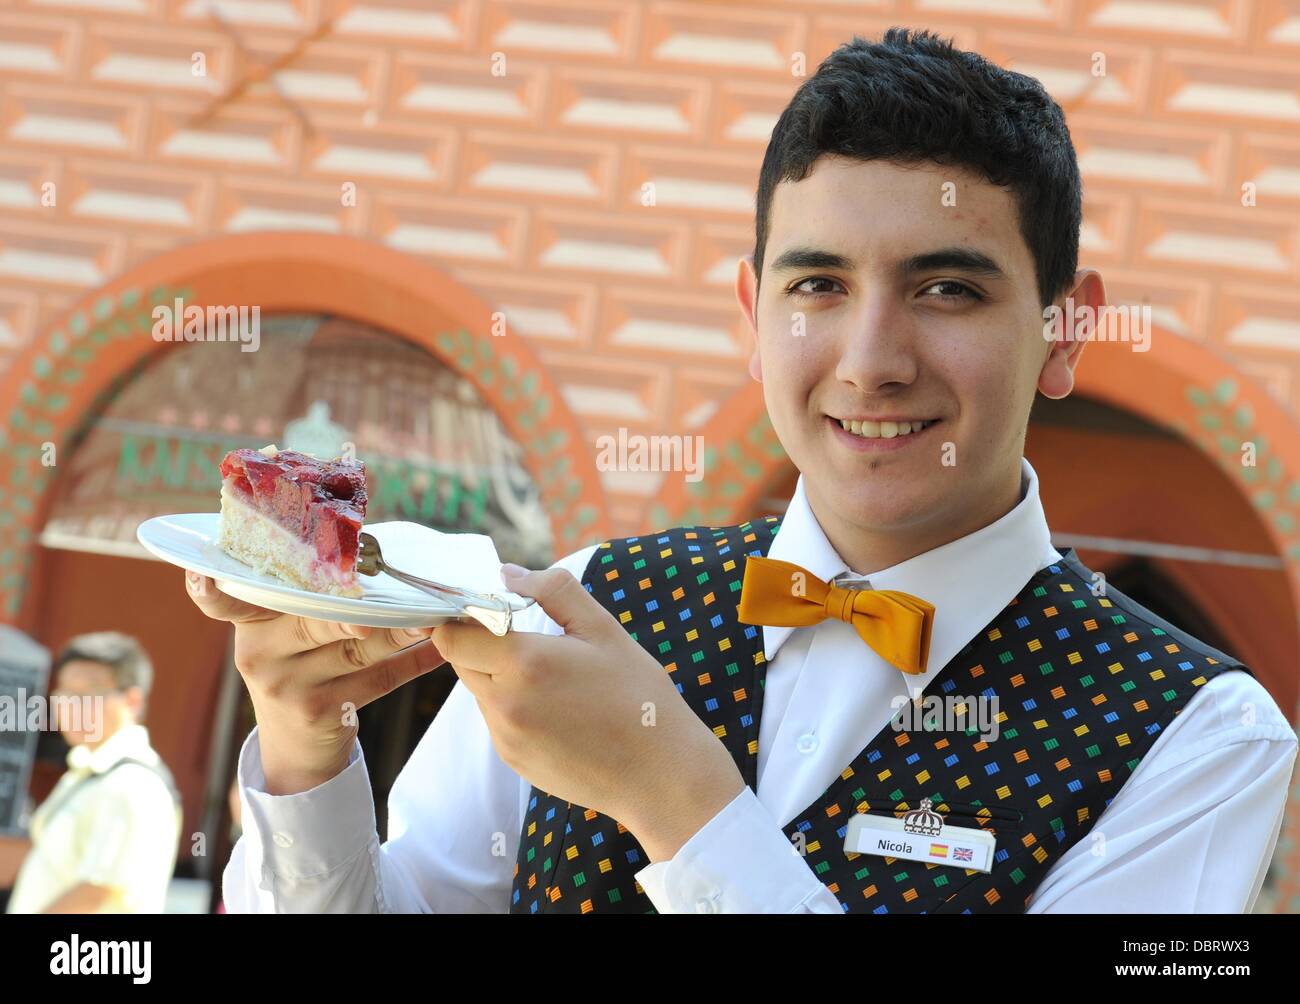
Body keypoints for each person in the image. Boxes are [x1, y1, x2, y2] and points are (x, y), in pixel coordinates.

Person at [189, 28, 1298, 914]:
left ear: (1063, 330)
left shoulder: (1197, 730)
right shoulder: (595, 599)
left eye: (946, 288)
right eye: (817, 285)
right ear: (751, 317)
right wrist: (300, 747)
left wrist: (673, 797)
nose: (872, 361)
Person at [3, 632, 182, 914]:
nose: (71, 706)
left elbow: (95, 892)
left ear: (132, 702)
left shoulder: (134, 784)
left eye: (88, 693)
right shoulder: (87, 770)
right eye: (64, 692)